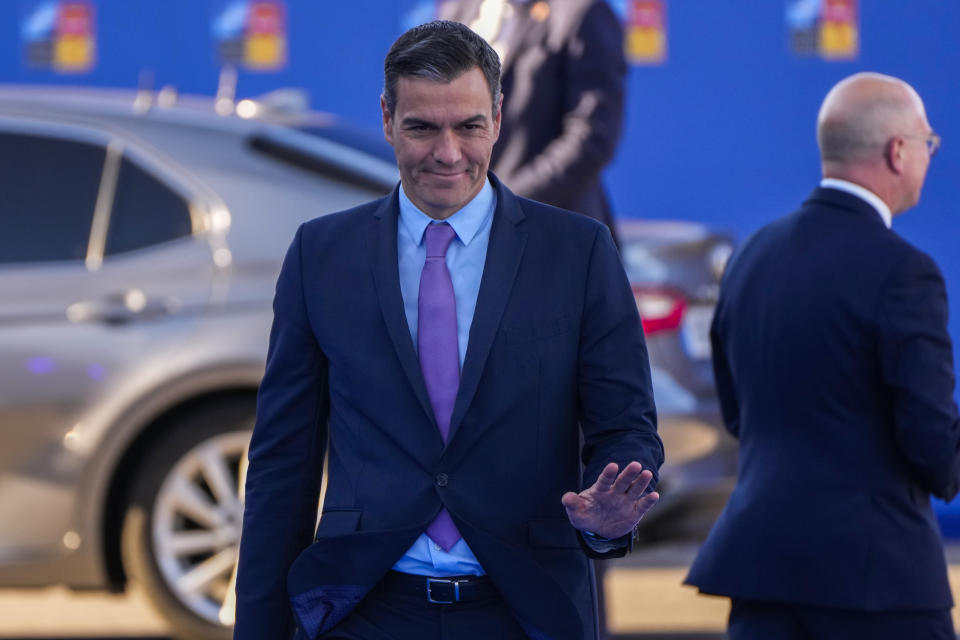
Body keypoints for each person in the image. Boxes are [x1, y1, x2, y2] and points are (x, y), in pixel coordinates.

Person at [234, 20, 663, 640]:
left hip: (525, 611)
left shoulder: (577, 252)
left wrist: (607, 513)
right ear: (387, 119)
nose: (448, 153)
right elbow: (281, 465)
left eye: (469, 126)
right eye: (421, 127)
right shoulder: (320, 255)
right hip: (364, 611)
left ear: (497, 114)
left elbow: (624, 427)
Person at [685, 72, 960, 639]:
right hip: (876, 585)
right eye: (928, 143)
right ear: (897, 151)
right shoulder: (904, 271)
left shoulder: (752, 256)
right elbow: (933, 446)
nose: (929, 158)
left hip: (761, 577)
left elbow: (739, 416)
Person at [440, 0, 626, 242]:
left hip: (551, 237)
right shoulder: (459, 9)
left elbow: (590, 138)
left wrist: (503, 205)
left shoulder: (581, 13)